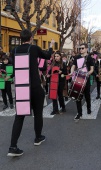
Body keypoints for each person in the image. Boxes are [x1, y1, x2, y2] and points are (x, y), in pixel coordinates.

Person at [7, 29, 54, 157]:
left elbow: (12, 63)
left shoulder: (14, 50)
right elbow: (47, 56)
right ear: (31, 37)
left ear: (20, 38)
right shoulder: (34, 48)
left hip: (21, 87)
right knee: (38, 113)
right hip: (34, 87)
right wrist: (50, 47)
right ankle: (38, 137)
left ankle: (12, 146)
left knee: (19, 116)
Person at [70, 43, 94, 121]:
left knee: (87, 96)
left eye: (82, 48)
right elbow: (73, 66)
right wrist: (71, 72)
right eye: (80, 48)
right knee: (78, 96)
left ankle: (88, 107)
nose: (80, 50)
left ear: (86, 49)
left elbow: (92, 69)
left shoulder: (90, 58)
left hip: (86, 79)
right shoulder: (77, 57)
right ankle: (79, 113)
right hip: (78, 78)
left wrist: (87, 74)